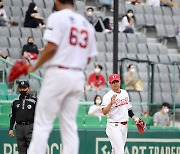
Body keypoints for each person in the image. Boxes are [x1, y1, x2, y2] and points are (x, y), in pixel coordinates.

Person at [26, 0, 98, 153]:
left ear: (56, 1)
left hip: (58, 73)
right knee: (69, 125)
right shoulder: (86, 23)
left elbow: (51, 46)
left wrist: (34, 67)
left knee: (42, 123)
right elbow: (89, 58)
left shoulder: (57, 17)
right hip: (77, 76)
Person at [101, 74, 140, 154]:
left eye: (116, 81)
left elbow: (128, 109)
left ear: (120, 82)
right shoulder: (107, 96)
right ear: (110, 83)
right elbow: (104, 112)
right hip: (114, 126)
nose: (115, 84)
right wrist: (110, 104)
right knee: (120, 151)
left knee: (116, 151)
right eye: (113, 82)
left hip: (124, 126)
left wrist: (135, 118)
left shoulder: (125, 93)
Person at [9, 81, 37, 154]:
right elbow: (12, 116)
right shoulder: (15, 102)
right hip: (19, 127)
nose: (22, 90)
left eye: (24, 88)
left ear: (28, 89)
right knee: (21, 150)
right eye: (21, 88)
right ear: (18, 89)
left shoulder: (34, 101)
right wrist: (11, 129)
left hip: (30, 126)